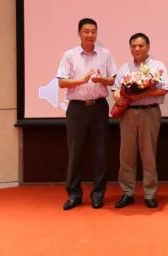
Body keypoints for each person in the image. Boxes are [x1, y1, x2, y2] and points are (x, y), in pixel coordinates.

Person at [57, 18, 117, 210]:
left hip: (99, 107)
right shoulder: (69, 55)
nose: (90, 35)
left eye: (93, 31)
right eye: (86, 31)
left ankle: (98, 195)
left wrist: (101, 79)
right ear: (79, 33)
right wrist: (81, 81)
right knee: (75, 152)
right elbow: (62, 82)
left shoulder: (105, 54)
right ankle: (74, 195)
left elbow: (113, 80)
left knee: (100, 152)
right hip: (77, 109)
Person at [112, 33, 168, 209]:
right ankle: (127, 192)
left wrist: (142, 93)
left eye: (141, 46)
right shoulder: (125, 67)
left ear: (148, 47)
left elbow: (164, 89)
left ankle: (150, 194)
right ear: (130, 48)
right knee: (126, 154)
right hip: (128, 114)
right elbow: (116, 89)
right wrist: (118, 97)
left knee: (149, 154)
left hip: (149, 112)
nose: (137, 49)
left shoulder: (157, 66)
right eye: (134, 46)